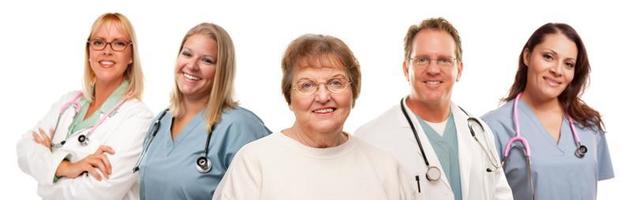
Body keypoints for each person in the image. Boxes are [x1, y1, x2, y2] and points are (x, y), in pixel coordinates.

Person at [213, 34, 415, 200]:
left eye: (336, 83)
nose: (323, 96)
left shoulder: (387, 169)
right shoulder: (254, 163)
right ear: (289, 97)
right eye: (307, 85)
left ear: (353, 92)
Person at [355, 17, 513, 200]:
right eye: (422, 60)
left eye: (444, 60)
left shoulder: (479, 131)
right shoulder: (371, 138)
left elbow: (500, 194)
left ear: (459, 70)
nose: (433, 69)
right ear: (406, 69)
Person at [16, 13, 152, 199]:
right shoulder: (68, 103)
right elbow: (24, 150)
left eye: (119, 43)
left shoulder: (138, 118)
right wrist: (66, 167)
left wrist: (45, 181)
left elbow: (96, 193)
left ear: (131, 56)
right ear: (89, 51)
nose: (107, 50)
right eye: (98, 42)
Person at [135, 22, 270, 199]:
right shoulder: (160, 123)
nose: (192, 66)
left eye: (207, 60)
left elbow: (277, 180)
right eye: (187, 54)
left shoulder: (239, 126)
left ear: (221, 71)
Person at [482, 23, 614, 200]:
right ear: (527, 56)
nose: (557, 70)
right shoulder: (492, 127)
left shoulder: (589, 125)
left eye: (568, 64)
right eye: (548, 57)